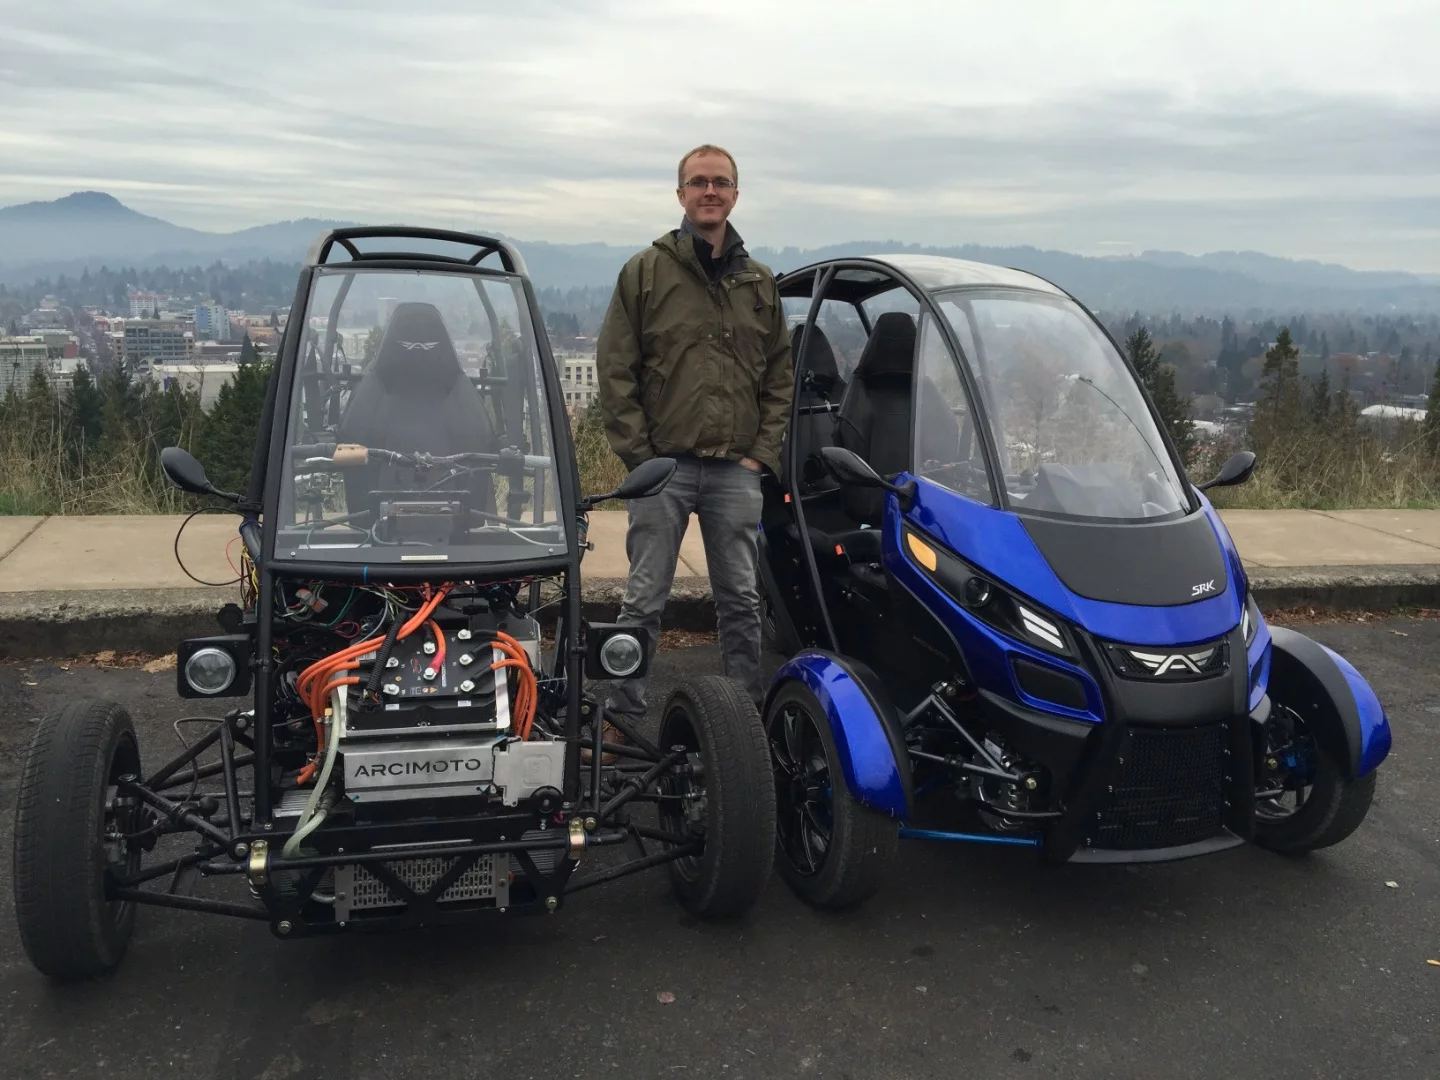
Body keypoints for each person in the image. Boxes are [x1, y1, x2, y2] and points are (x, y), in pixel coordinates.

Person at [594, 143, 793, 750]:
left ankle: (744, 721)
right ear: (680, 194)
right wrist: (638, 456)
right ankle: (624, 716)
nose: (711, 191)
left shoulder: (758, 283)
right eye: (699, 182)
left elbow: (780, 375)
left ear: (736, 194)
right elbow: (615, 369)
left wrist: (760, 453)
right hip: (664, 469)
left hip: (736, 468)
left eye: (722, 182)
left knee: (739, 598)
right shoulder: (645, 273)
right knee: (643, 599)